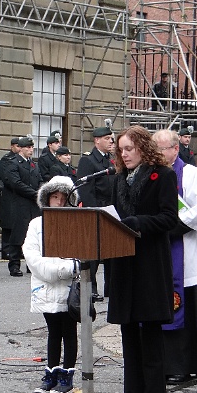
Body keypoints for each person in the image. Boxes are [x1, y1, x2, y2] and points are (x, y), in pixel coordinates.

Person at [107, 126, 178, 393]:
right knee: (128, 326)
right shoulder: (118, 179)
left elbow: (169, 218)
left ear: (143, 148)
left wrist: (138, 222)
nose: (124, 154)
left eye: (129, 149)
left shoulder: (163, 175)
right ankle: (134, 389)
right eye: (120, 150)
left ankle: (152, 391)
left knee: (149, 326)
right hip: (123, 259)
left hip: (150, 260)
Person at [153, 130, 197, 384]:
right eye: (154, 149)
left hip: (184, 251)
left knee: (185, 308)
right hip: (158, 253)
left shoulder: (191, 174)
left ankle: (184, 365)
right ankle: (161, 363)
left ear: (175, 149)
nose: (157, 154)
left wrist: (166, 225)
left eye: (161, 149)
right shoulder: (152, 174)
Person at [23, 176, 79, 393]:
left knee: (69, 332)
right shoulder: (36, 224)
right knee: (53, 331)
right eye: (55, 197)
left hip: (68, 288)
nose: (59, 202)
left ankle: (67, 376)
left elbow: (79, 255)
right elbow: (32, 255)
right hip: (45, 286)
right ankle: (51, 372)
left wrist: (65, 270)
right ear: (47, 198)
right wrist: (56, 270)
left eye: (63, 198)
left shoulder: (76, 223)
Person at [76, 123, 116, 302]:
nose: (111, 142)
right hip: (96, 210)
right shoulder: (88, 160)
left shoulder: (110, 160)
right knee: (93, 254)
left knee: (111, 252)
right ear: (97, 140)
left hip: (110, 209)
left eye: (111, 139)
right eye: (107, 139)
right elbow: (86, 190)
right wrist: (94, 212)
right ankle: (91, 288)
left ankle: (111, 288)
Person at [5, 135, 41, 277]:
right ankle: (14, 264)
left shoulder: (33, 164)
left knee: (32, 235)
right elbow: (16, 183)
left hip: (33, 204)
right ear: (20, 148)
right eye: (28, 147)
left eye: (32, 147)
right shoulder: (13, 163)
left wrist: (41, 191)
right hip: (19, 203)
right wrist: (34, 193)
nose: (31, 150)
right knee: (18, 234)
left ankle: (31, 264)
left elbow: (39, 180)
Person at [0, 137, 21, 261]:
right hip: (8, 193)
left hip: (18, 195)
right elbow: (5, 177)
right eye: (17, 146)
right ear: (12, 146)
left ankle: (15, 250)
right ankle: (6, 250)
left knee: (16, 224)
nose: (19, 148)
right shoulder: (7, 159)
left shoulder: (20, 160)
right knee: (8, 224)